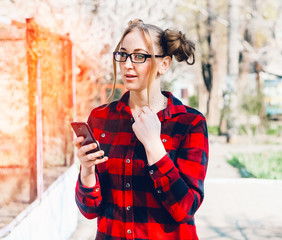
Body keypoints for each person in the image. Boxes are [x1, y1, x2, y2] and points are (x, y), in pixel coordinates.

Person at [73, 19, 209, 240]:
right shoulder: (101, 118)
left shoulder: (189, 123)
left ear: (164, 64)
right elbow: (89, 210)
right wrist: (87, 171)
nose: (127, 64)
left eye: (139, 56)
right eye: (123, 54)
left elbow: (185, 209)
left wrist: (155, 147)